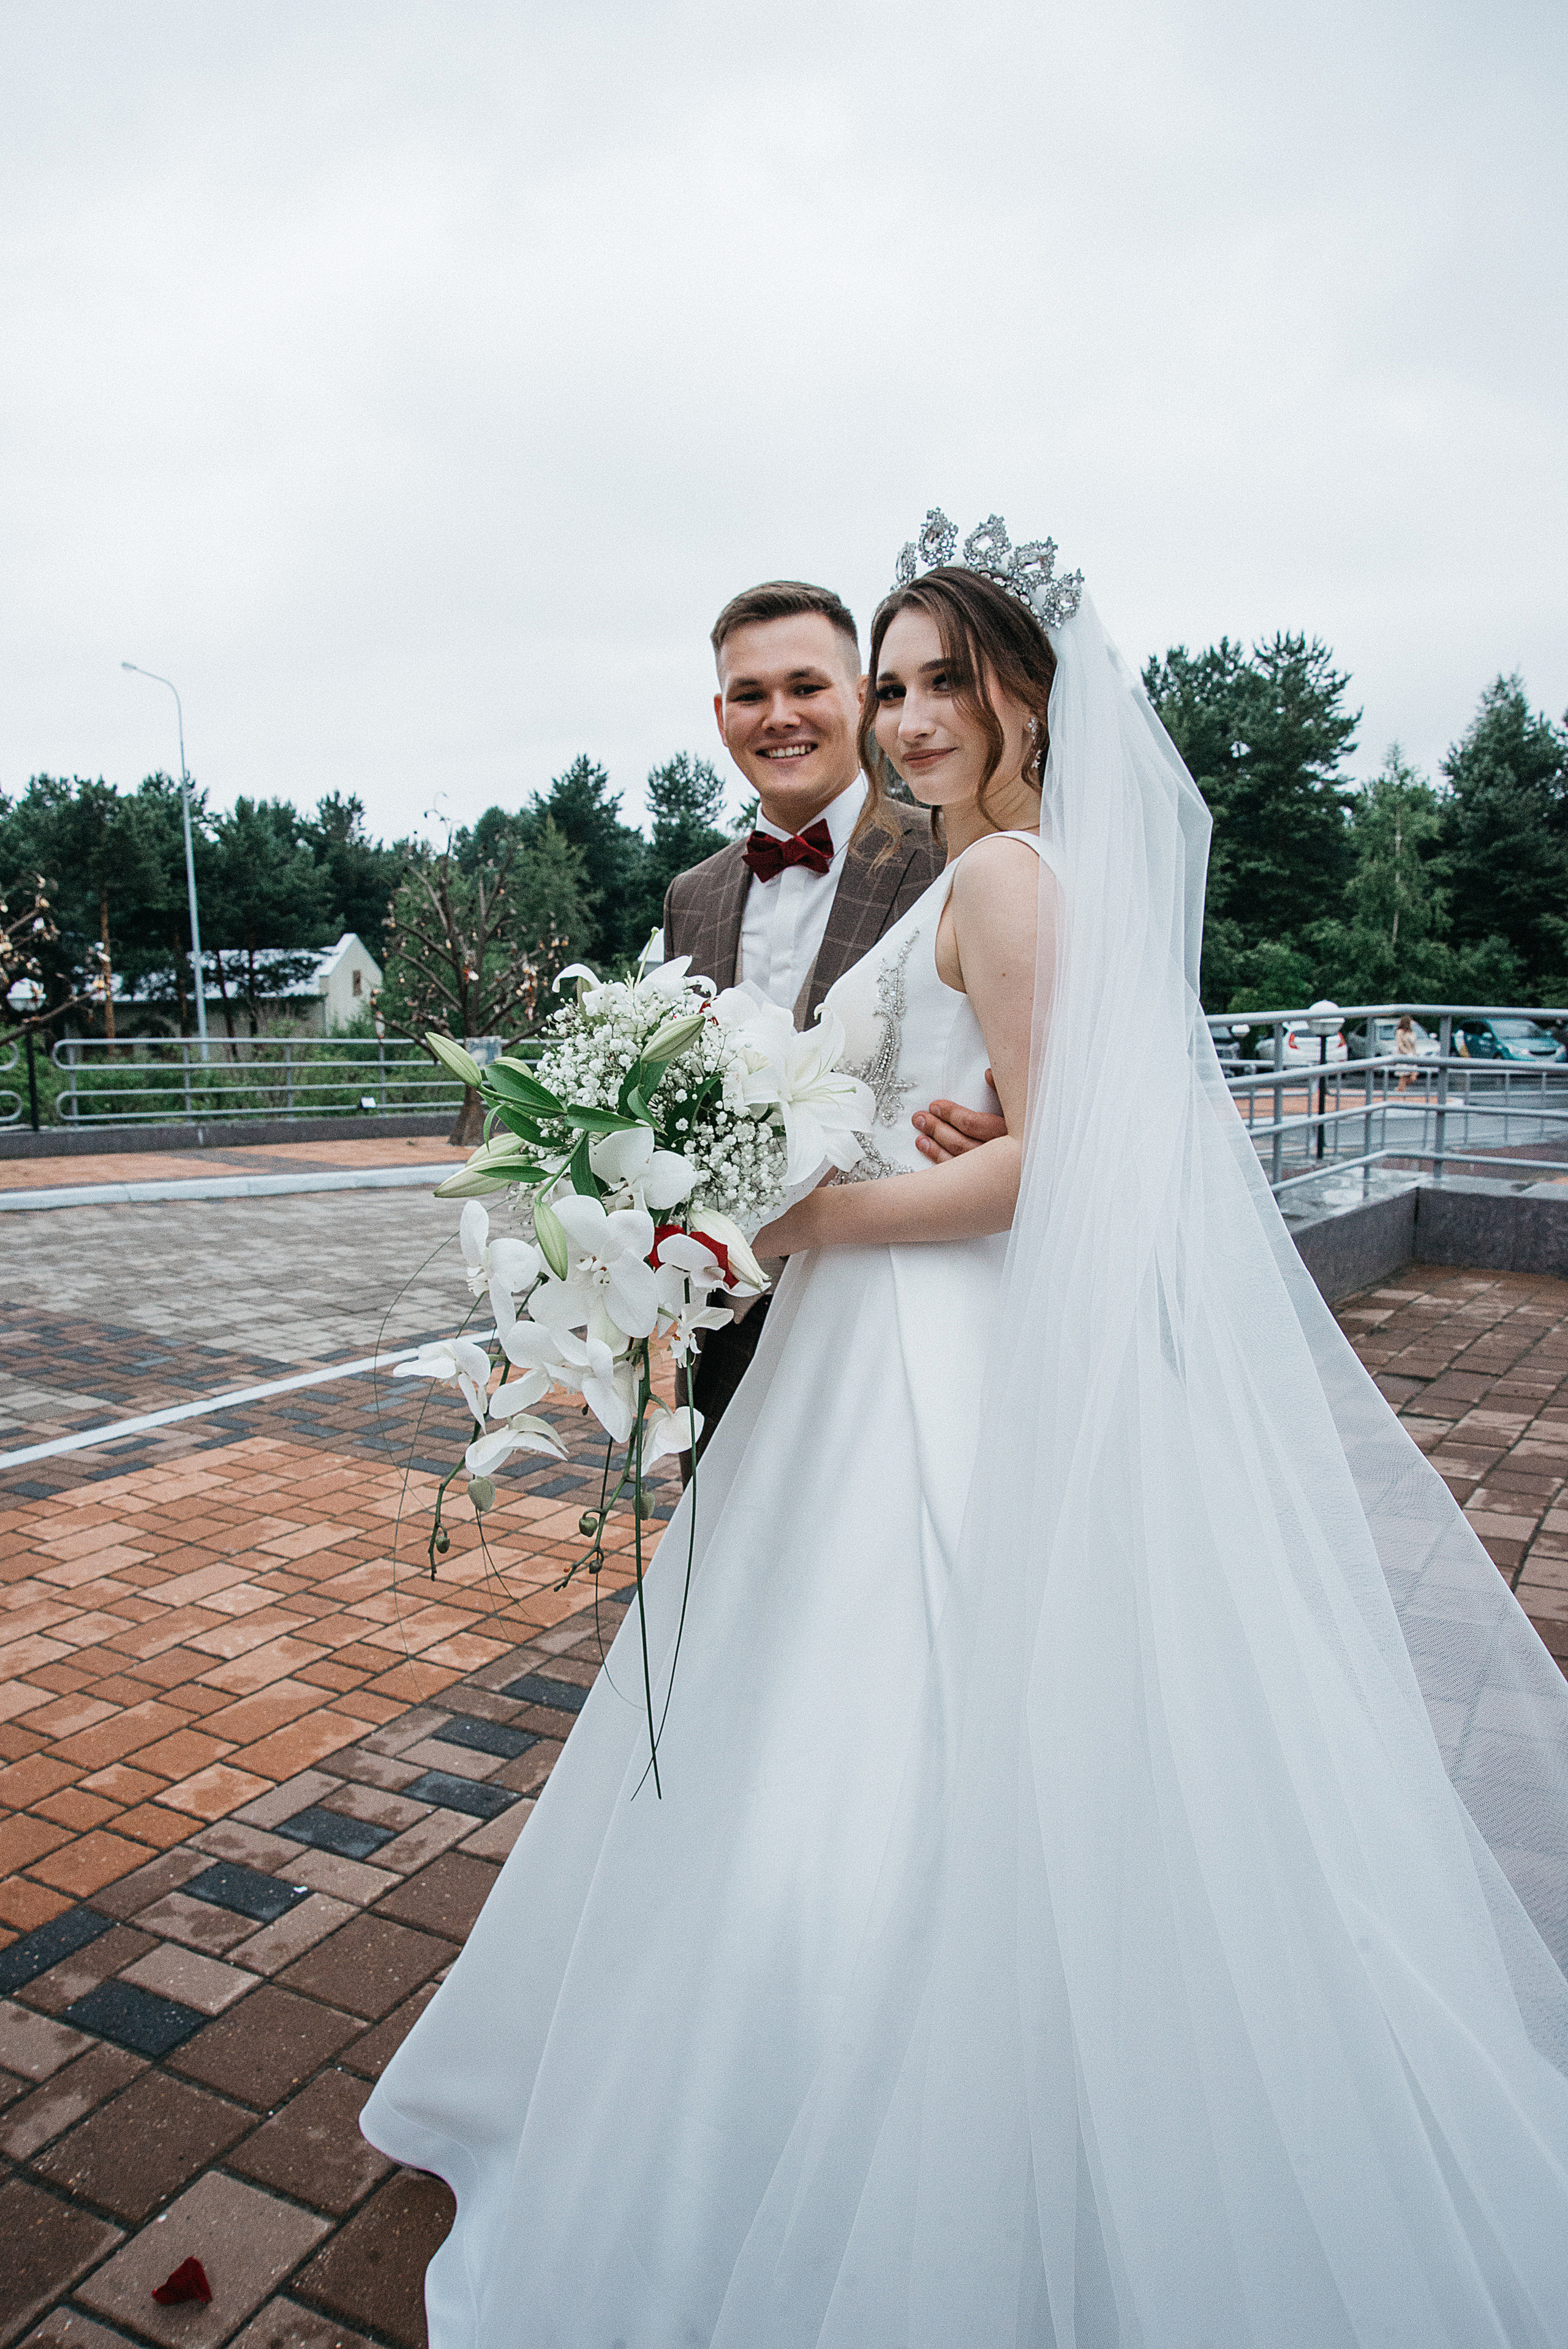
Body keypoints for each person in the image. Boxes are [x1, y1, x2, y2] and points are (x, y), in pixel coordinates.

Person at [364, 521, 1568, 2347]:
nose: (914, 718)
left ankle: (857, 2119)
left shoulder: (1002, 883)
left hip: (923, 1338)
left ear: (1027, 697)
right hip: (876, 1340)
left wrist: (793, 1213)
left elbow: (1069, 1157)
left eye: (942, 681)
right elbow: (1018, 1115)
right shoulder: (984, 874)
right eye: (903, 682)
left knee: (883, 1718)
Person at [662, 578, 1001, 1441]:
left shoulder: (957, 854)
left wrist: (1022, 1140)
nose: (779, 715)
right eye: (751, 694)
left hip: (895, 1317)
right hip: (726, 1334)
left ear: (859, 696)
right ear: (720, 712)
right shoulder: (691, 896)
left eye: (806, 687)